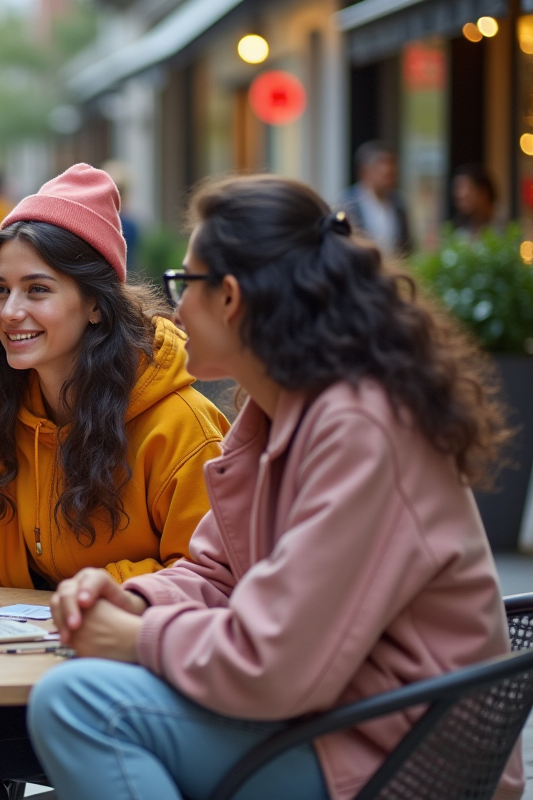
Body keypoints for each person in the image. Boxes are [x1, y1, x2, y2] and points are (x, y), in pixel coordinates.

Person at [29, 174, 523, 800]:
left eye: (184, 284)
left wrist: (136, 639)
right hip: (331, 723)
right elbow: (217, 572)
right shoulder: (275, 417)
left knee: (81, 706)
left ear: (230, 298)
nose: (172, 310)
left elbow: (276, 663)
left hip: (399, 758)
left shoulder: (360, 429)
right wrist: (139, 601)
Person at [0, 164, 230, 800]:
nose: (10, 312)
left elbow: (212, 579)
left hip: (143, 688)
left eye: (37, 290)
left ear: (96, 303)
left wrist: (87, 601)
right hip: (32, 670)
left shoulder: (179, 425)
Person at [341, 140, 411, 257]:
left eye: (391, 165)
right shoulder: (348, 203)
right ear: (365, 171)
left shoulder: (398, 202)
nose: (388, 170)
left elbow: (407, 244)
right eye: (381, 165)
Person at [451, 163, 500, 237]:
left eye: (464, 187)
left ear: (483, 192)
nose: (459, 195)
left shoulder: (505, 225)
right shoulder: (460, 230)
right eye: (457, 188)